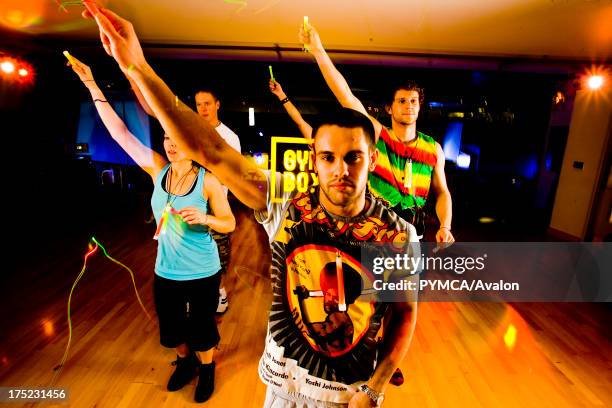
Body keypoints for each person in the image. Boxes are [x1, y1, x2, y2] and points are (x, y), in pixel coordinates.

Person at [83, 6, 418, 406]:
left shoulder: (398, 235)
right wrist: (136, 66)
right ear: (314, 160)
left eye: (353, 158)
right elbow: (211, 150)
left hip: (348, 393)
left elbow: (405, 314)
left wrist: (375, 386)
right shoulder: (285, 201)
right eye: (328, 157)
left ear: (372, 160)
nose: (340, 169)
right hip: (282, 385)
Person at [68, 53, 235, 403]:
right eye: (166, 139)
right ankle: (184, 362)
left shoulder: (208, 182)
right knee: (172, 328)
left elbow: (229, 222)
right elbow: (120, 133)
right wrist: (91, 83)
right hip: (166, 270)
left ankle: (207, 370)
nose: (171, 144)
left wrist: (205, 218)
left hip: (203, 270)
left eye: (177, 138)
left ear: (189, 141)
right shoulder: (158, 169)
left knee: (203, 329)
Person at [299, 22, 455, 245]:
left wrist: (445, 226)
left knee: (409, 280)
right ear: (389, 108)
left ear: (420, 106)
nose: (409, 106)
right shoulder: (379, 135)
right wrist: (318, 50)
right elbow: (346, 97)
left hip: (413, 235)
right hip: (375, 231)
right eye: (402, 101)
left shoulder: (433, 148)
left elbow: (442, 192)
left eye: (413, 101)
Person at [194, 88, 241, 314]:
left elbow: (234, 173)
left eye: (207, 103)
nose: (203, 108)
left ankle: (219, 293)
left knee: (219, 254)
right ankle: (194, 295)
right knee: (193, 252)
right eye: (199, 104)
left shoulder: (230, 138)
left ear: (217, 105)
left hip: (217, 204)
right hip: (191, 202)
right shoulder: (189, 132)